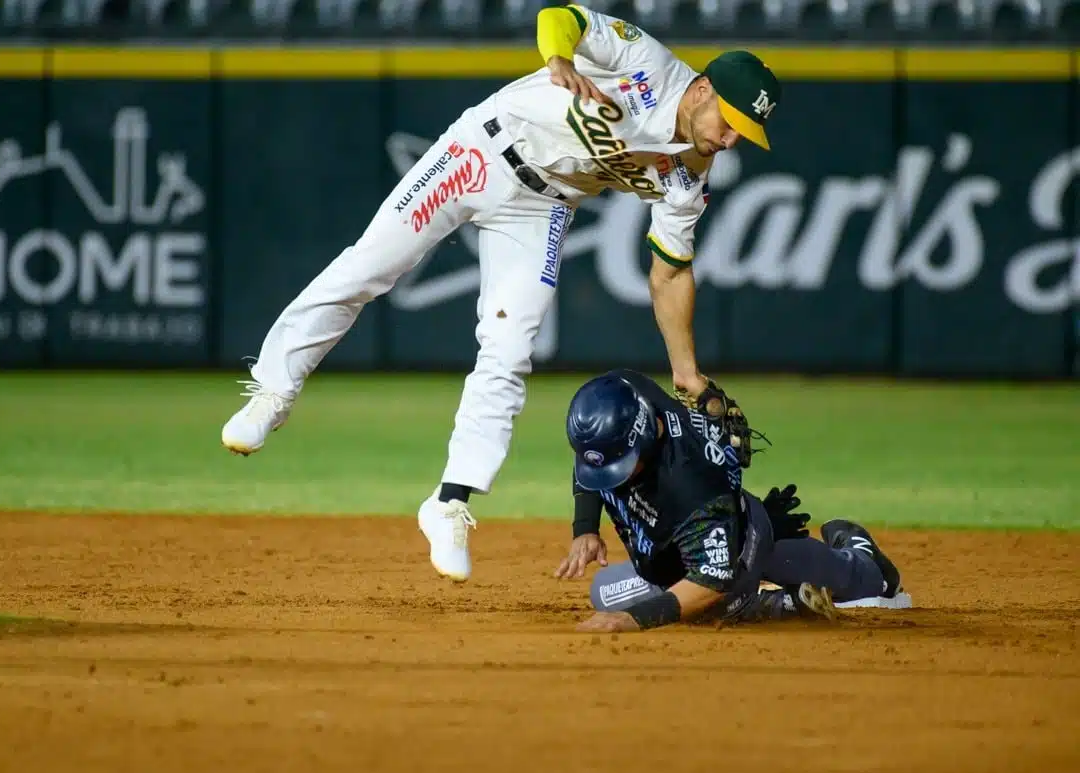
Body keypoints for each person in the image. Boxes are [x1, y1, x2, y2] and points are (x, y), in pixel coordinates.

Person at [220, 4, 782, 583]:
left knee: (510, 346)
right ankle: (273, 391)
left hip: (542, 205)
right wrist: (560, 59)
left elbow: (669, 274)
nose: (732, 139)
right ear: (703, 88)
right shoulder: (645, 64)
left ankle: (450, 501)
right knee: (369, 266)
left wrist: (686, 373)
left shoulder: (689, 175)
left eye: (746, 132)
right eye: (731, 119)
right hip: (483, 151)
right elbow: (559, 16)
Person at [556, 368, 911, 633]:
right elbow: (592, 461)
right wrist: (585, 528)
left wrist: (636, 619)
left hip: (739, 543)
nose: (613, 476)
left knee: (718, 596)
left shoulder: (689, 484)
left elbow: (711, 579)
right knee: (605, 592)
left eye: (621, 464)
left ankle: (862, 565)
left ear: (645, 435)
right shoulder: (625, 398)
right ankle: (775, 598)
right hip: (674, 551)